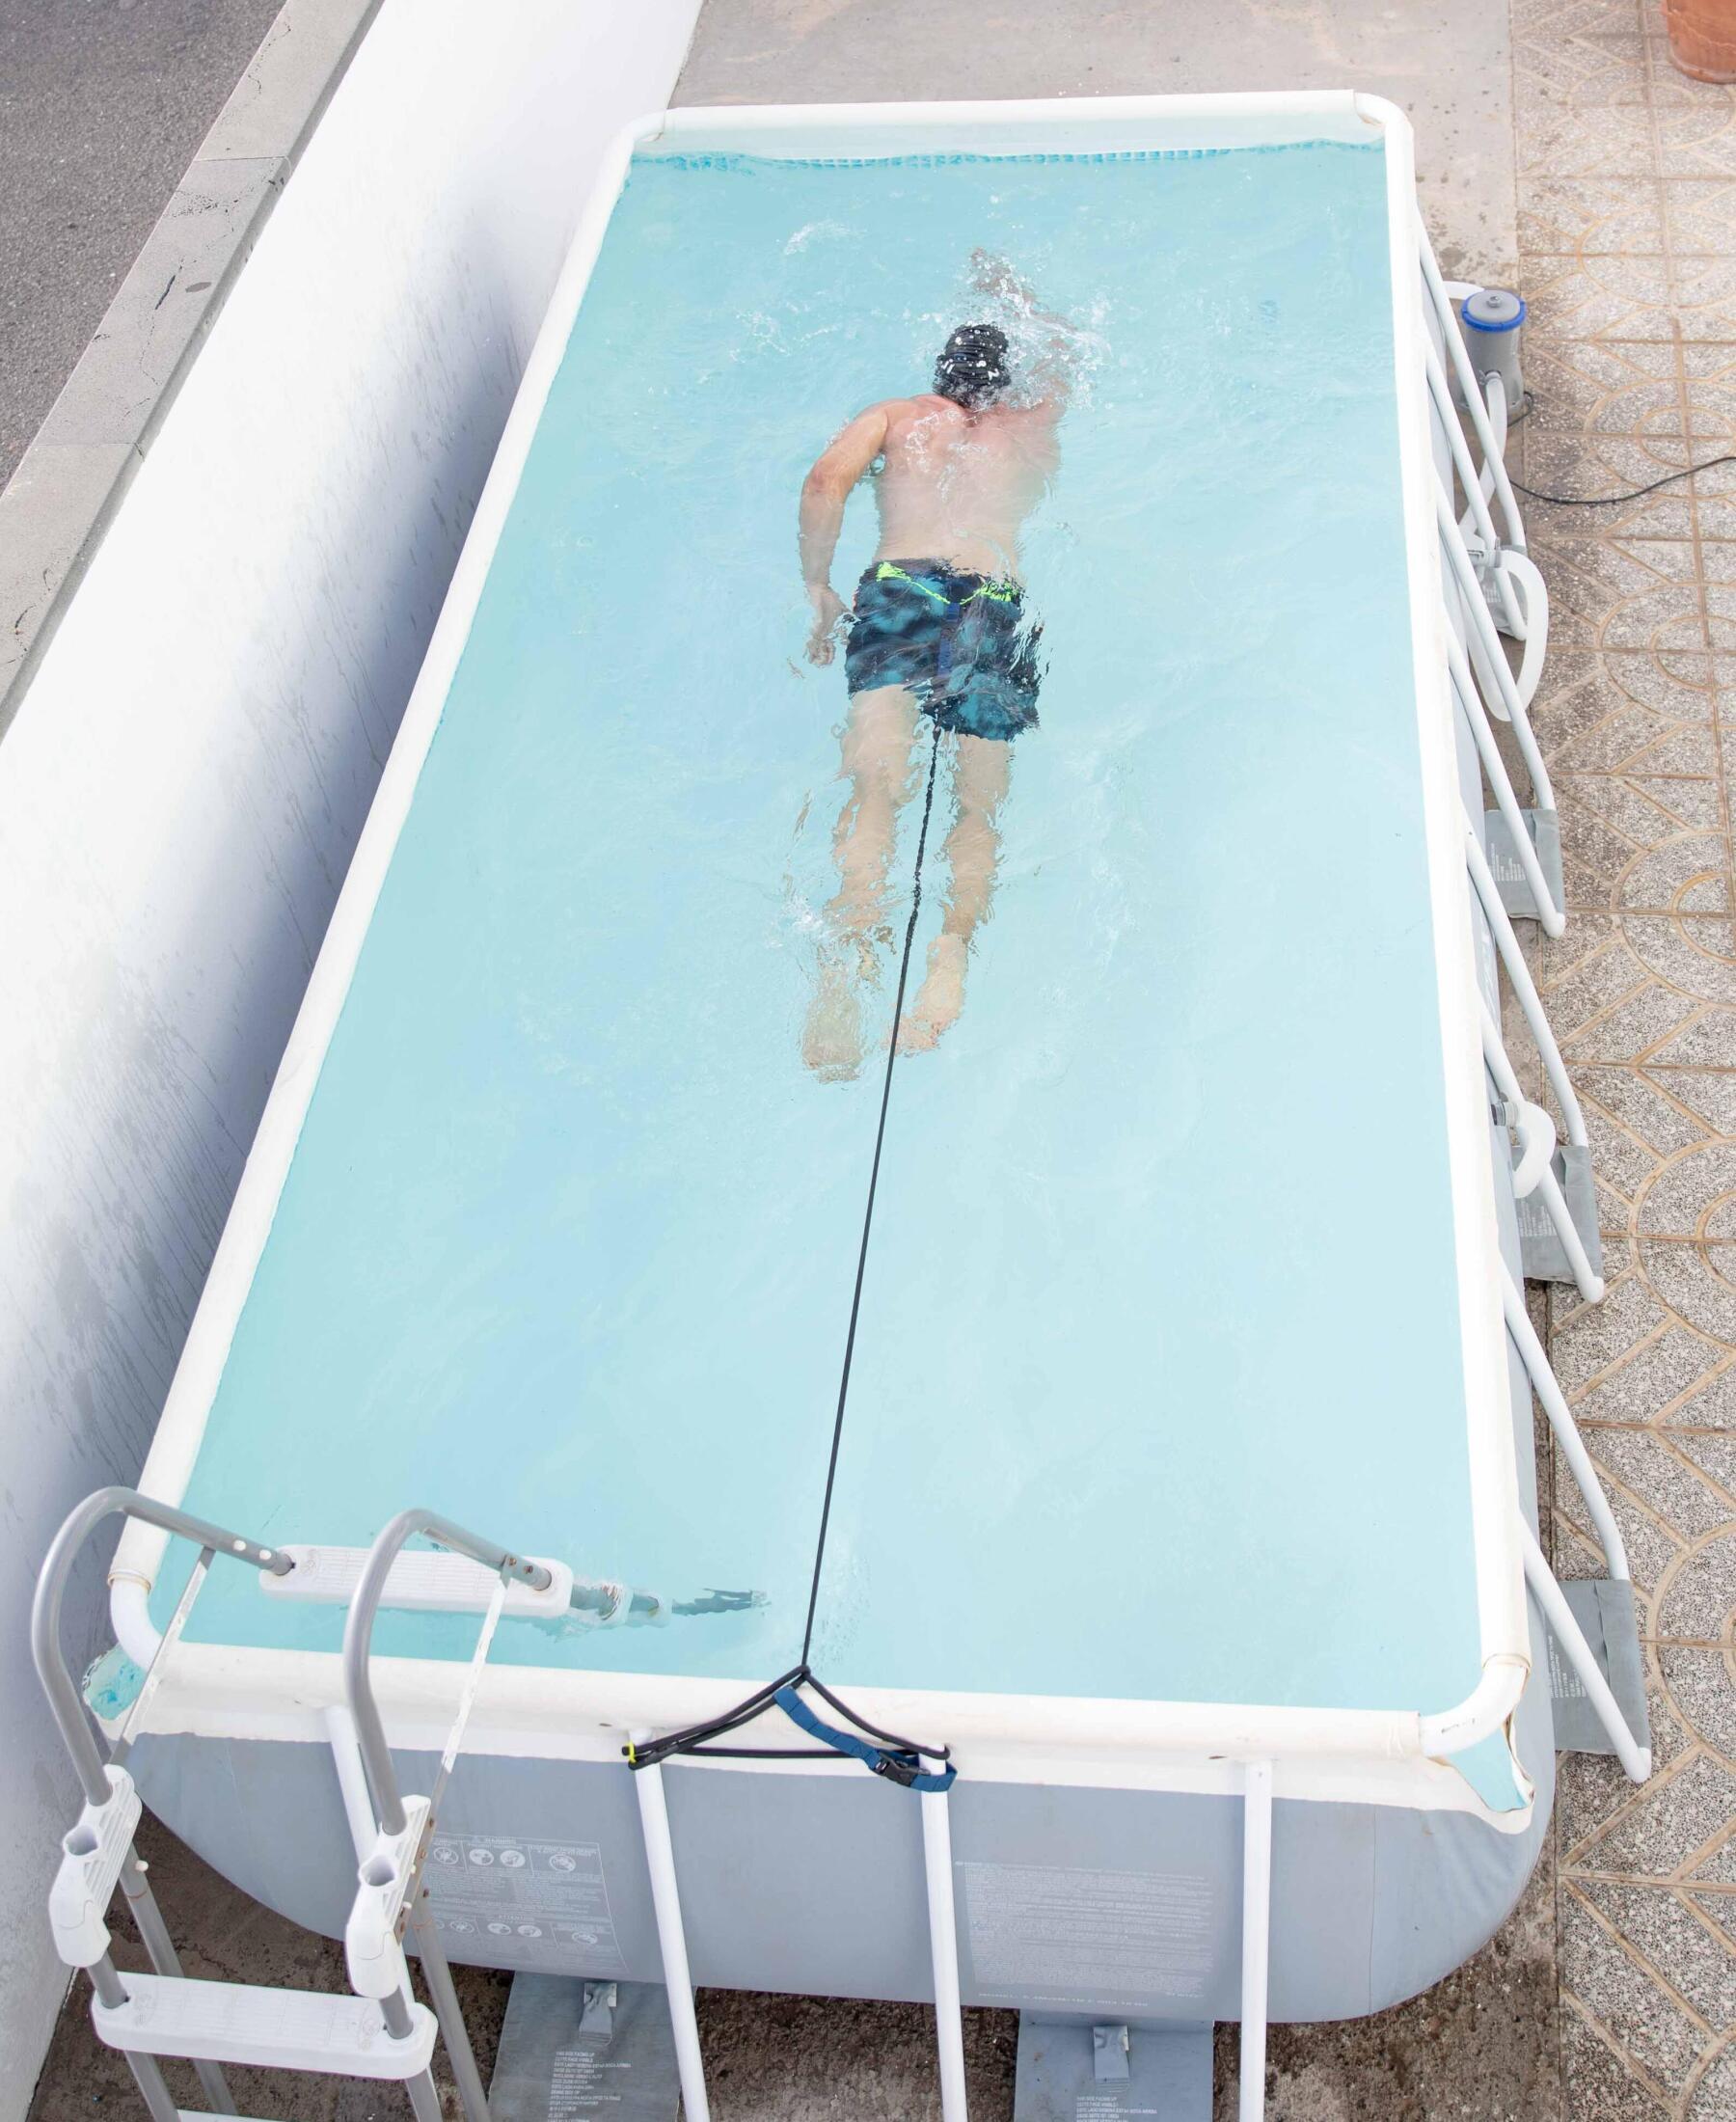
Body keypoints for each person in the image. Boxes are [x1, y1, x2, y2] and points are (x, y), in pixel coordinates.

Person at [798, 252, 1074, 1081]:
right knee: (977, 807)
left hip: (901, 589)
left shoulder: (896, 416)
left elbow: (824, 483)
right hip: (992, 600)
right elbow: (1063, 349)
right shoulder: (1034, 428)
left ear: (940, 377)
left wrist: (817, 582)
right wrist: (1017, 292)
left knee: (877, 784)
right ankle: (949, 959)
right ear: (1005, 385)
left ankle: (847, 968)